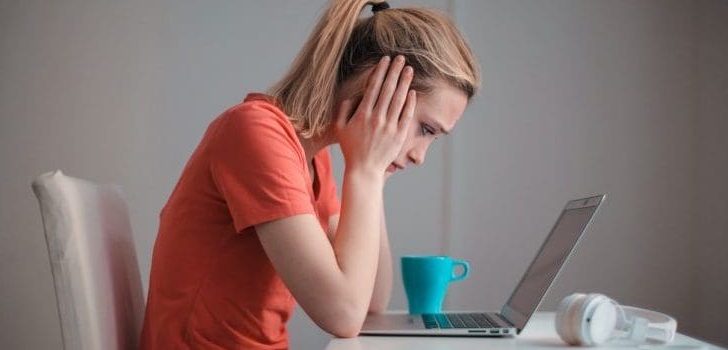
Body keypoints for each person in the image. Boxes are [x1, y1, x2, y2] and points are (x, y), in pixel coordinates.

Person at [139, 0, 480, 348]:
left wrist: (373, 177)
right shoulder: (255, 132)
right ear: (379, 87)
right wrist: (365, 172)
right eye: (426, 129)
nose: (422, 156)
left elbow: (370, 303)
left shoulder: (315, 158)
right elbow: (343, 314)